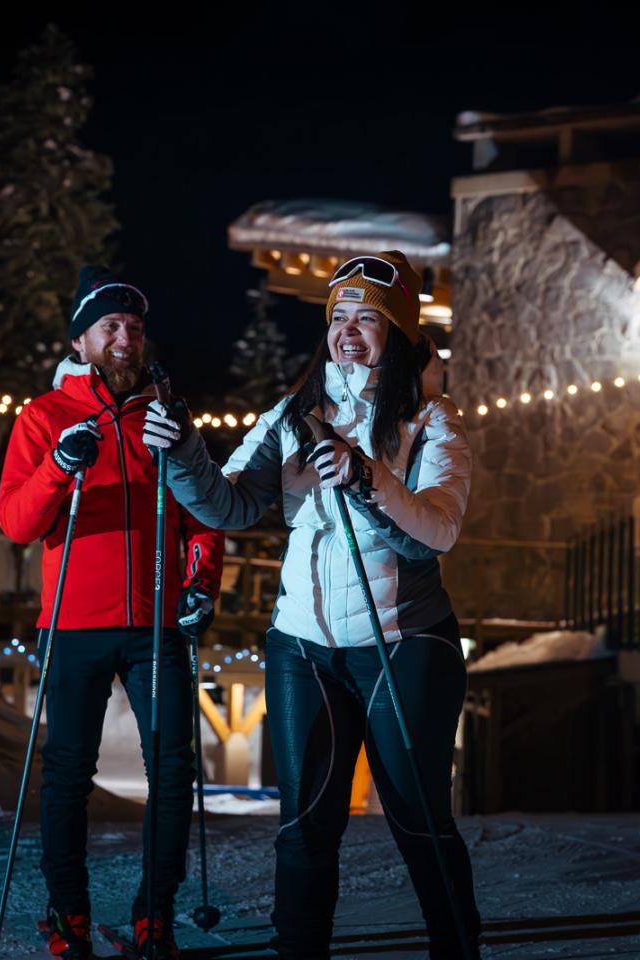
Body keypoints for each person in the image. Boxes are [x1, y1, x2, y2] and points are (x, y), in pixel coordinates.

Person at [143, 250, 480, 959]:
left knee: (417, 820)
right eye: (339, 318)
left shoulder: (433, 420)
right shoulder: (295, 413)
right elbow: (230, 504)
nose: (349, 333)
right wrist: (180, 452)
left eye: (368, 319)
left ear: (399, 331)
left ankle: (456, 950)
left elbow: (437, 532)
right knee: (304, 826)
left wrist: (367, 476)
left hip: (405, 643)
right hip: (302, 644)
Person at [0, 266, 225, 960]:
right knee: (68, 774)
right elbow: (16, 521)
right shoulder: (44, 417)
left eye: (133, 326)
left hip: (157, 624)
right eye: (110, 326)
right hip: (73, 624)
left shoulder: (169, 413)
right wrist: (62, 466)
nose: (125, 337)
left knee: (174, 768)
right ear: (81, 341)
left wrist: (201, 582)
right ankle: (68, 915)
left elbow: (204, 513)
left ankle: (154, 914)